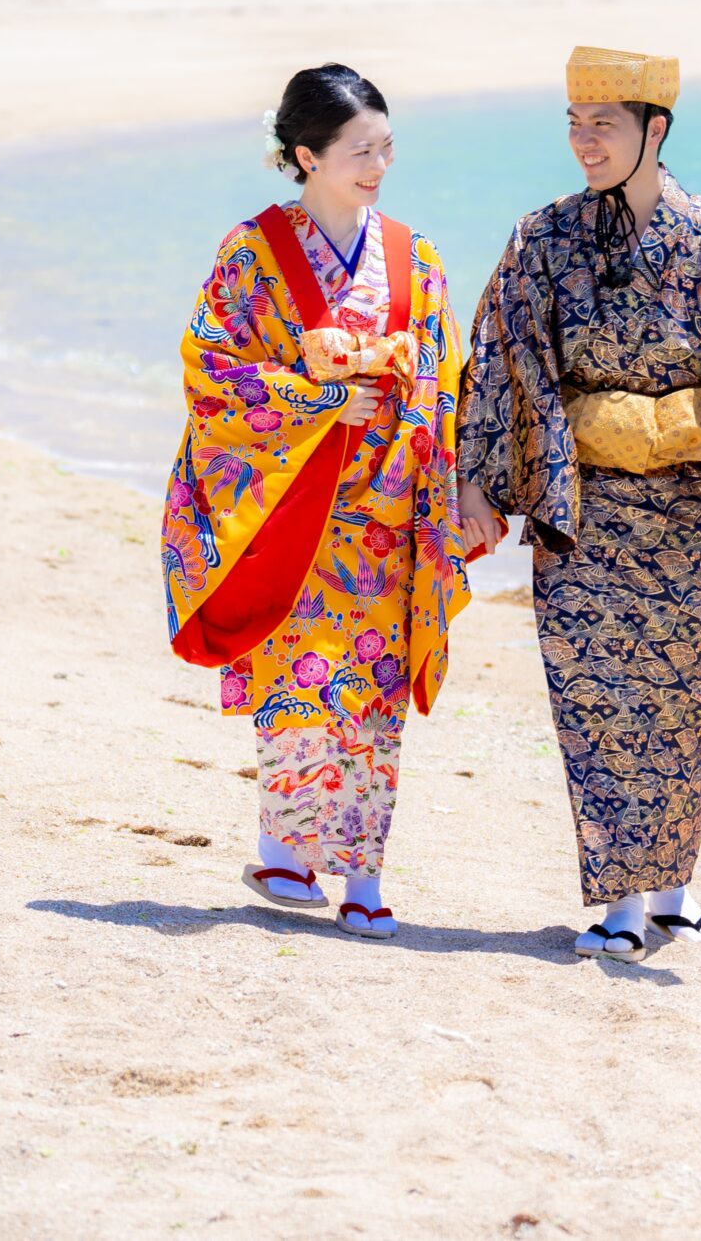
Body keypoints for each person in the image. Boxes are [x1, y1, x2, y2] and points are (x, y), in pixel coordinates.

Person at [459, 46, 701, 962]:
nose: (584, 142)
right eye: (573, 124)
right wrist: (474, 480)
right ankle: (623, 901)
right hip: (583, 507)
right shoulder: (541, 238)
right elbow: (497, 354)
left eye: (605, 125)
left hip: (689, 511)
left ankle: (671, 891)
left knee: (684, 703)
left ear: (654, 130)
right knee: (593, 697)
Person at [160, 63, 471, 941]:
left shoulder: (417, 255)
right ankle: (284, 846)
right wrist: (322, 396)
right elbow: (212, 370)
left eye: (386, 146)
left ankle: (365, 871)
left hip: (385, 510)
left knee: (371, 690)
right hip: (296, 506)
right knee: (301, 683)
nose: (378, 165)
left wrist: (417, 413)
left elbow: (449, 377)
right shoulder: (253, 251)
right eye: (359, 150)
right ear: (306, 154)